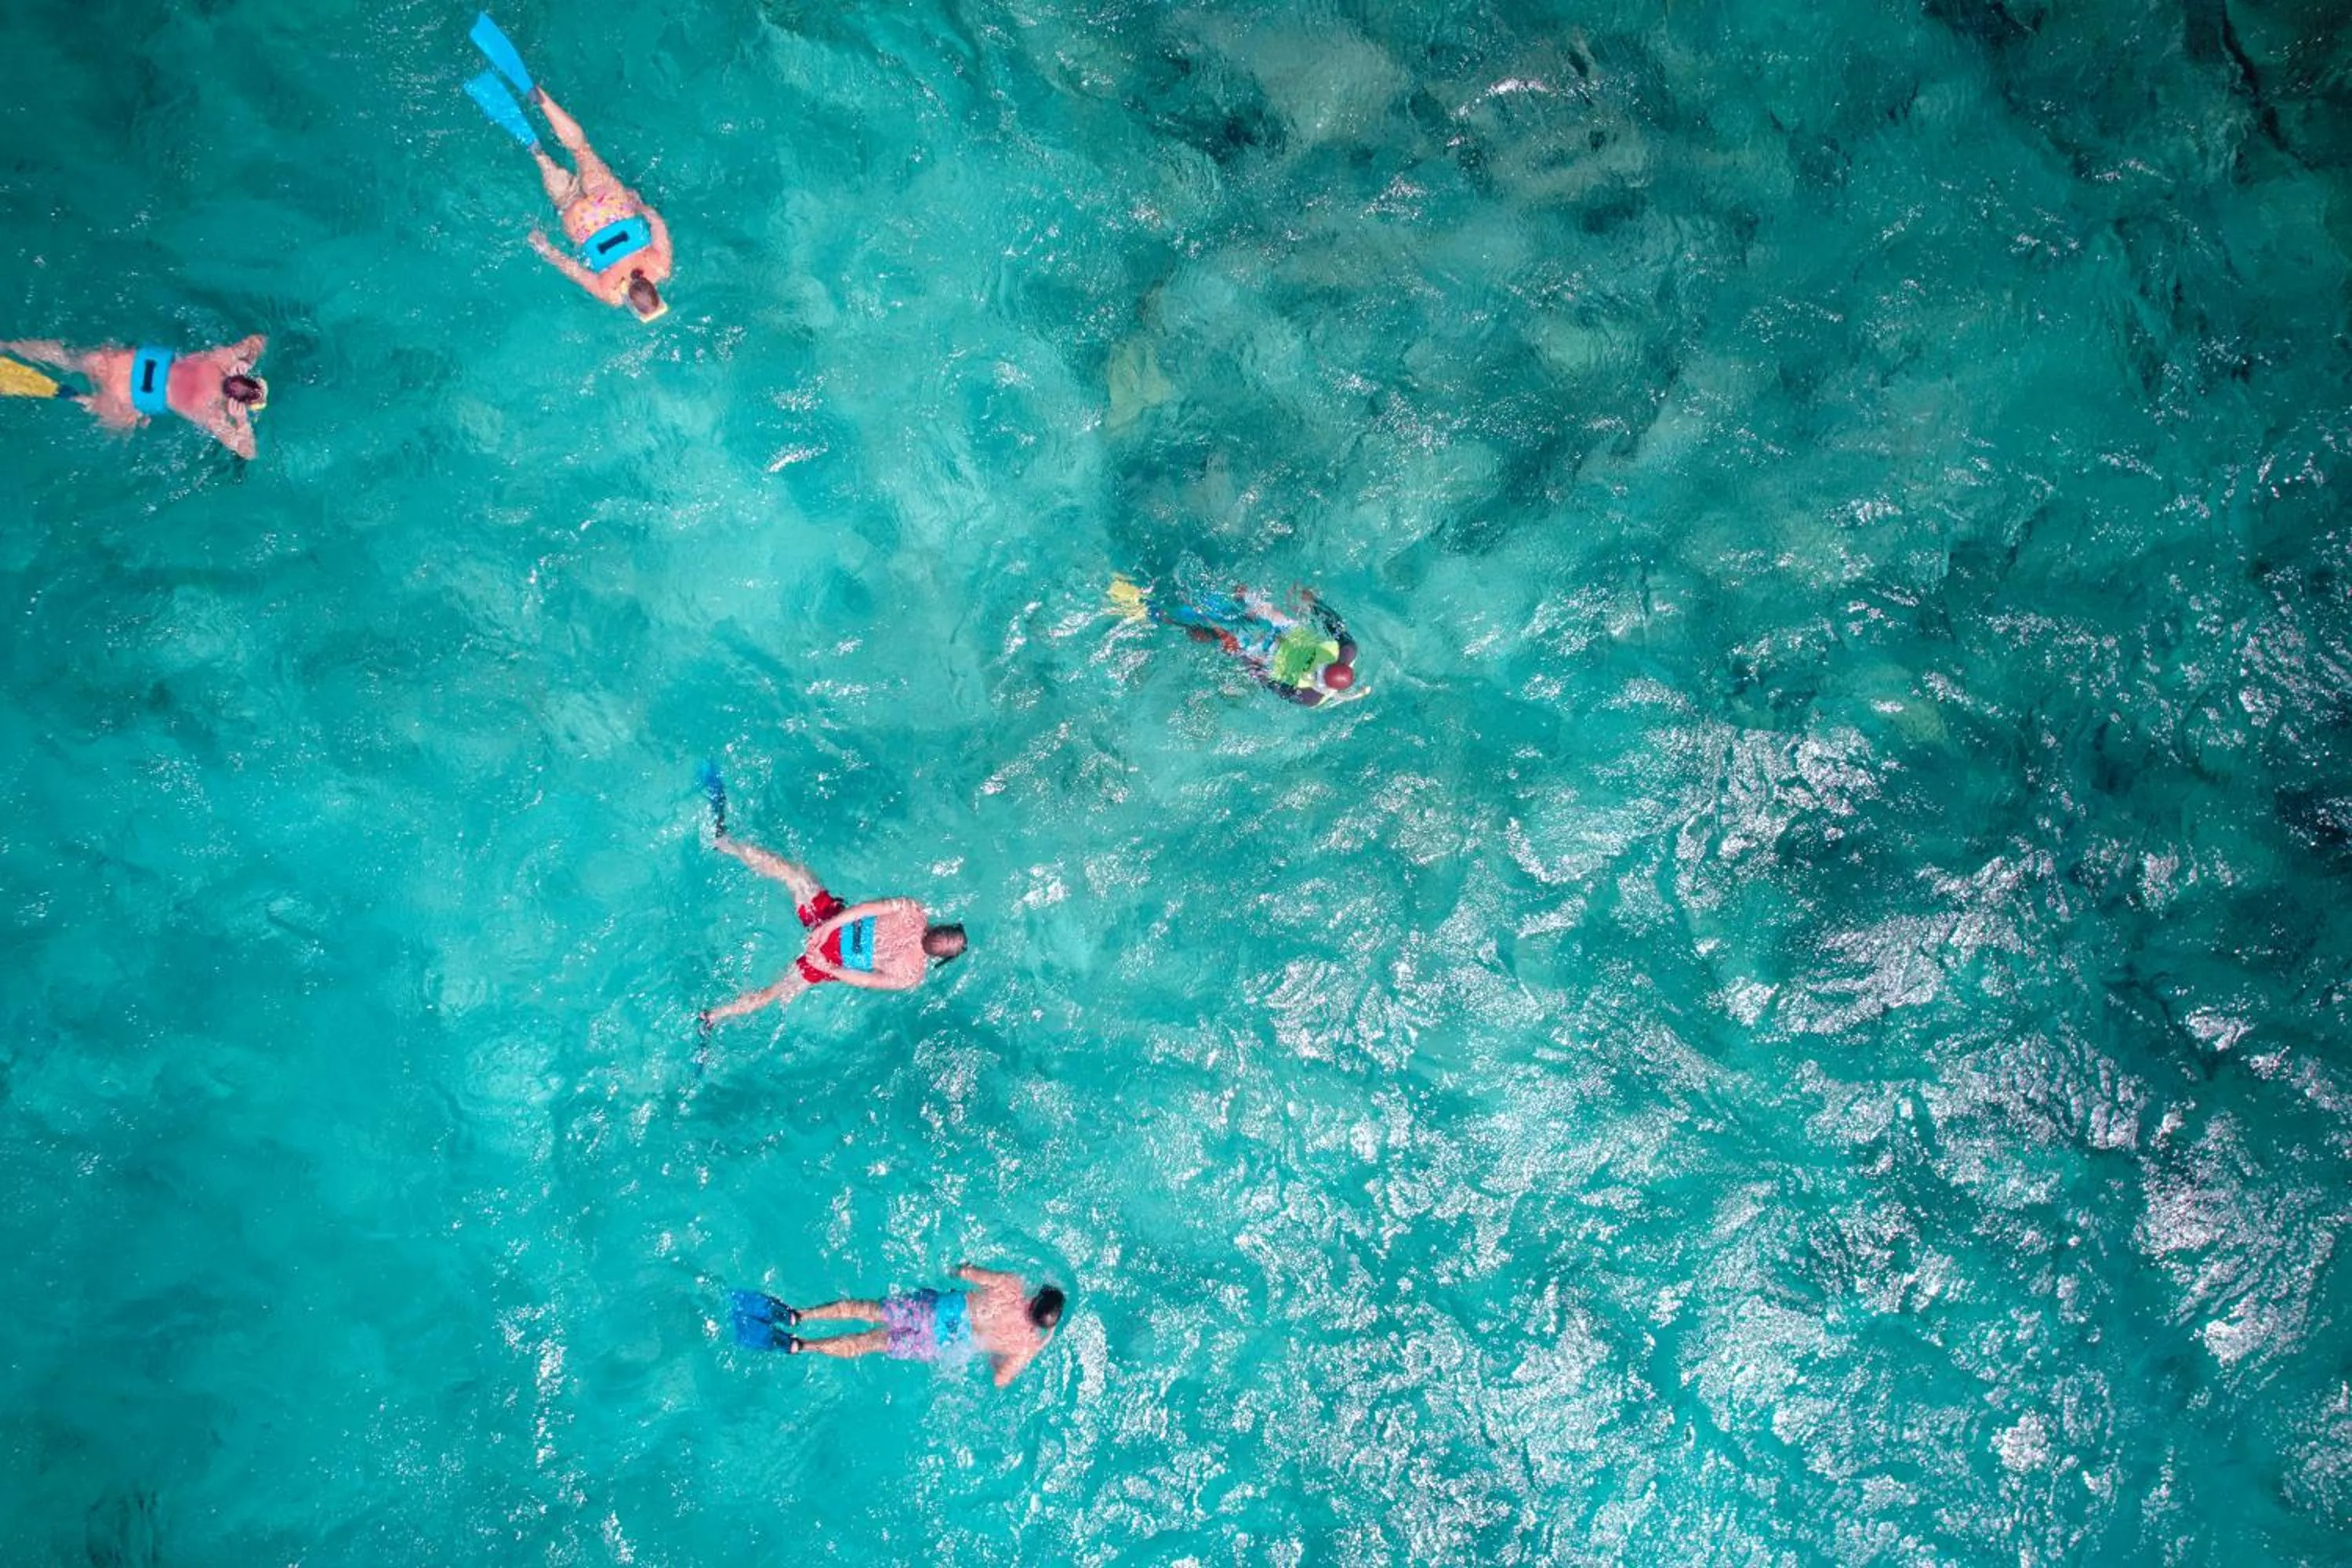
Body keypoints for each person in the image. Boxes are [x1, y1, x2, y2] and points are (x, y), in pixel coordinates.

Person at [463, 13, 673, 321]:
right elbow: (573, 269)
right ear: (631, 302)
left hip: (612, 205)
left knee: (581, 149)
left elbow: (656, 221)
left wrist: (638, 203)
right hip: (582, 223)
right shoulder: (611, 293)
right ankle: (535, 147)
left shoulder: (660, 267)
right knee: (542, 159)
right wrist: (544, 248)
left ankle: (540, 98)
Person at [698, 806, 966, 1031]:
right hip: (829, 947)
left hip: (830, 939)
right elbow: (866, 963)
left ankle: (724, 842)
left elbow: (868, 928)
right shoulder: (912, 949)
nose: (941, 940)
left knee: (793, 875)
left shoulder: (913, 936)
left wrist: (828, 942)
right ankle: (712, 1017)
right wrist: (827, 951)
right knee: (776, 990)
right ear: (940, 947)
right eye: (946, 941)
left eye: (945, 940)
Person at [730, 1266, 1065, 1387]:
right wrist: (1031, 1348)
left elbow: (965, 1273)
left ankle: (799, 1317)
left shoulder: (1011, 1286)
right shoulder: (1025, 1345)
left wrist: (950, 1271)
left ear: (1035, 1299)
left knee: (864, 1309)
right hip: (937, 1344)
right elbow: (999, 1378)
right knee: (869, 1343)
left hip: (932, 1310)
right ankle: (802, 1346)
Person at [1109, 570, 1362, 706]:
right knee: (1240, 595)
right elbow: (1333, 623)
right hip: (1284, 629)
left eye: (1315, 676)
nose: (1314, 671)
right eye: (1319, 667)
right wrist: (1313, 603)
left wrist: (1238, 654)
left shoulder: (1310, 697)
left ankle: (1148, 608)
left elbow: (1267, 681)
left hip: (1268, 656)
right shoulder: (1347, 650)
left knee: (1219, 632)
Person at [0, 336, 267, 457]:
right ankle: (82, 399)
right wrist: (242, 423)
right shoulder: (209, 411)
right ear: (237, 405)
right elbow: (247, 452)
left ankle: (9, 345)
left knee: (67, 357)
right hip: (126, 396)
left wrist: (248, 357)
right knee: (125, 418)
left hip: (121, 363)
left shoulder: (218, 360)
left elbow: (257, 340)